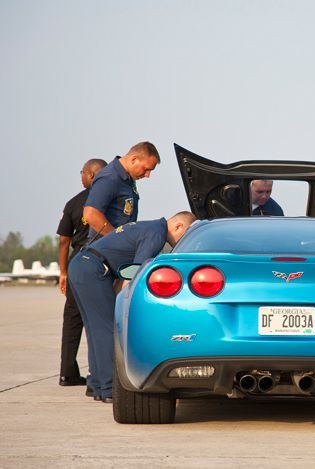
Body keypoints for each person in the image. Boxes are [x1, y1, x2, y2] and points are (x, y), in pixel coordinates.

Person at [68, 211, 196, 403]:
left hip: (81, 264)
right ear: (178, 226)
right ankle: (110, 388)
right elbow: (135, 274)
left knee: (96, 329)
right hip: (92, 268)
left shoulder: (148, 226)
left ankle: (96, 384)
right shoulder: (156, 234)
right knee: (108, 330)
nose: (181, 243)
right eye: (185, 236)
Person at [56, 158, 107, 387]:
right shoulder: (112, 201)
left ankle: (67, 373)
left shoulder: (74, 203)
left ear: (90, 175)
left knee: (73, 319)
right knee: (100, 319)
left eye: (82, 173)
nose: (81, 177)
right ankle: (99, 373)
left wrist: (64, 272)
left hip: (78, 262)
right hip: (103, 260)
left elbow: (64, 242)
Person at [83, 141, 160, 239]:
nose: (147, 175)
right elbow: (90, 213)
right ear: (134, 159)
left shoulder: (128, 178)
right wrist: (117, 239)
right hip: (105, 249)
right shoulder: (109, 177)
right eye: (146, 169)